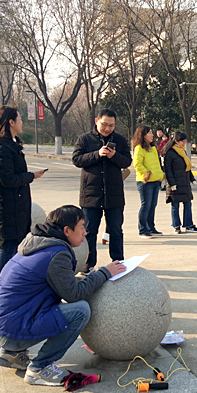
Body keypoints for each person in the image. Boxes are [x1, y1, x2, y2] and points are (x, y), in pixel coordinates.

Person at [0, 205, 126, 386]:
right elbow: (74, 294)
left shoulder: (38, 243)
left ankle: (11, 354)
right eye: (82, 227)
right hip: (11, 331)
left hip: (0, 328)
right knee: (80, 311)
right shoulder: (56, 254)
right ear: (67, 230)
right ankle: (40, 368)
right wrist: (104, 273)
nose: (85, 232)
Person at [0, 105, 45, 278]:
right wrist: (30, 176)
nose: (22, 122)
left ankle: (11, 284)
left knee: (16, 247)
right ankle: (1, 286)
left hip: (16, 206)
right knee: (8, 248)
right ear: (11, 122)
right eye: (19, 119)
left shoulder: (11, 145)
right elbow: (8, 179)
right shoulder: (1, 149)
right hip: (7, 208)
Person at [72, 108, 132, 273]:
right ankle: (88, 262)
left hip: (114, 194)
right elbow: (77, 159)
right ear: (97, 121)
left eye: (111, 126)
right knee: (89, 231)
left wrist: (114, 156)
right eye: (104, 124)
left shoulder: (119, 140)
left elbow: (127, 161)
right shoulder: (84, 139)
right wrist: (97, 154)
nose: (107, 128)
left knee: (116, 231)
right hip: (91, 194)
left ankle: (118, 261)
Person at [161, 131, 197, 234]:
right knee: (175, 205)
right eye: (182, 141)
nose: (184, 143)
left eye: (185, 141)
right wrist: (172, 184)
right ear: (176, 141)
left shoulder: (183, 151)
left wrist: (192, 179)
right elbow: (168, 170)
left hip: (184, 183)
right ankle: (176, 226)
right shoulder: (169, 153)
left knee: (188, 204)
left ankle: (189, 225)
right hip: (174, 184)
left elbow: (187, 168)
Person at [132, 125, 164, 239]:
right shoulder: (139, 148)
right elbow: (137, 164)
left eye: (151, 133)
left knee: (152, 205)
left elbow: (157, 164)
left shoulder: (153, 147)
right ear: (143, 135)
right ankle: (142, 230)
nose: (152, 135)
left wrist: (160, 175)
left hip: (155, 180)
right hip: (145, 182)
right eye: (149, 133)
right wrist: (147, 173)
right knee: (146, 205)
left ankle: (151, 228)